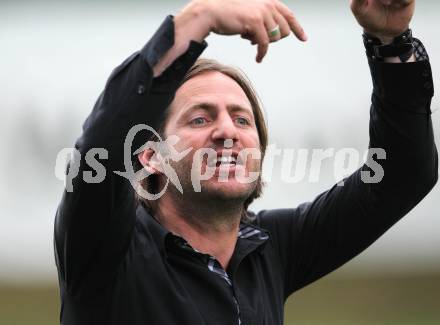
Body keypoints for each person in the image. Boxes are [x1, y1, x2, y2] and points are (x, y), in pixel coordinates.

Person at [54, 0, 437, 324]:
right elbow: (97, 154)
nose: (227, 132)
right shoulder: (106, 250)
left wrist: (390, 42)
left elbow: (403, 175)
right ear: (150, 156)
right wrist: (195, 21)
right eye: (200, 118)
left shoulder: (271, 247)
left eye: (242, 119)